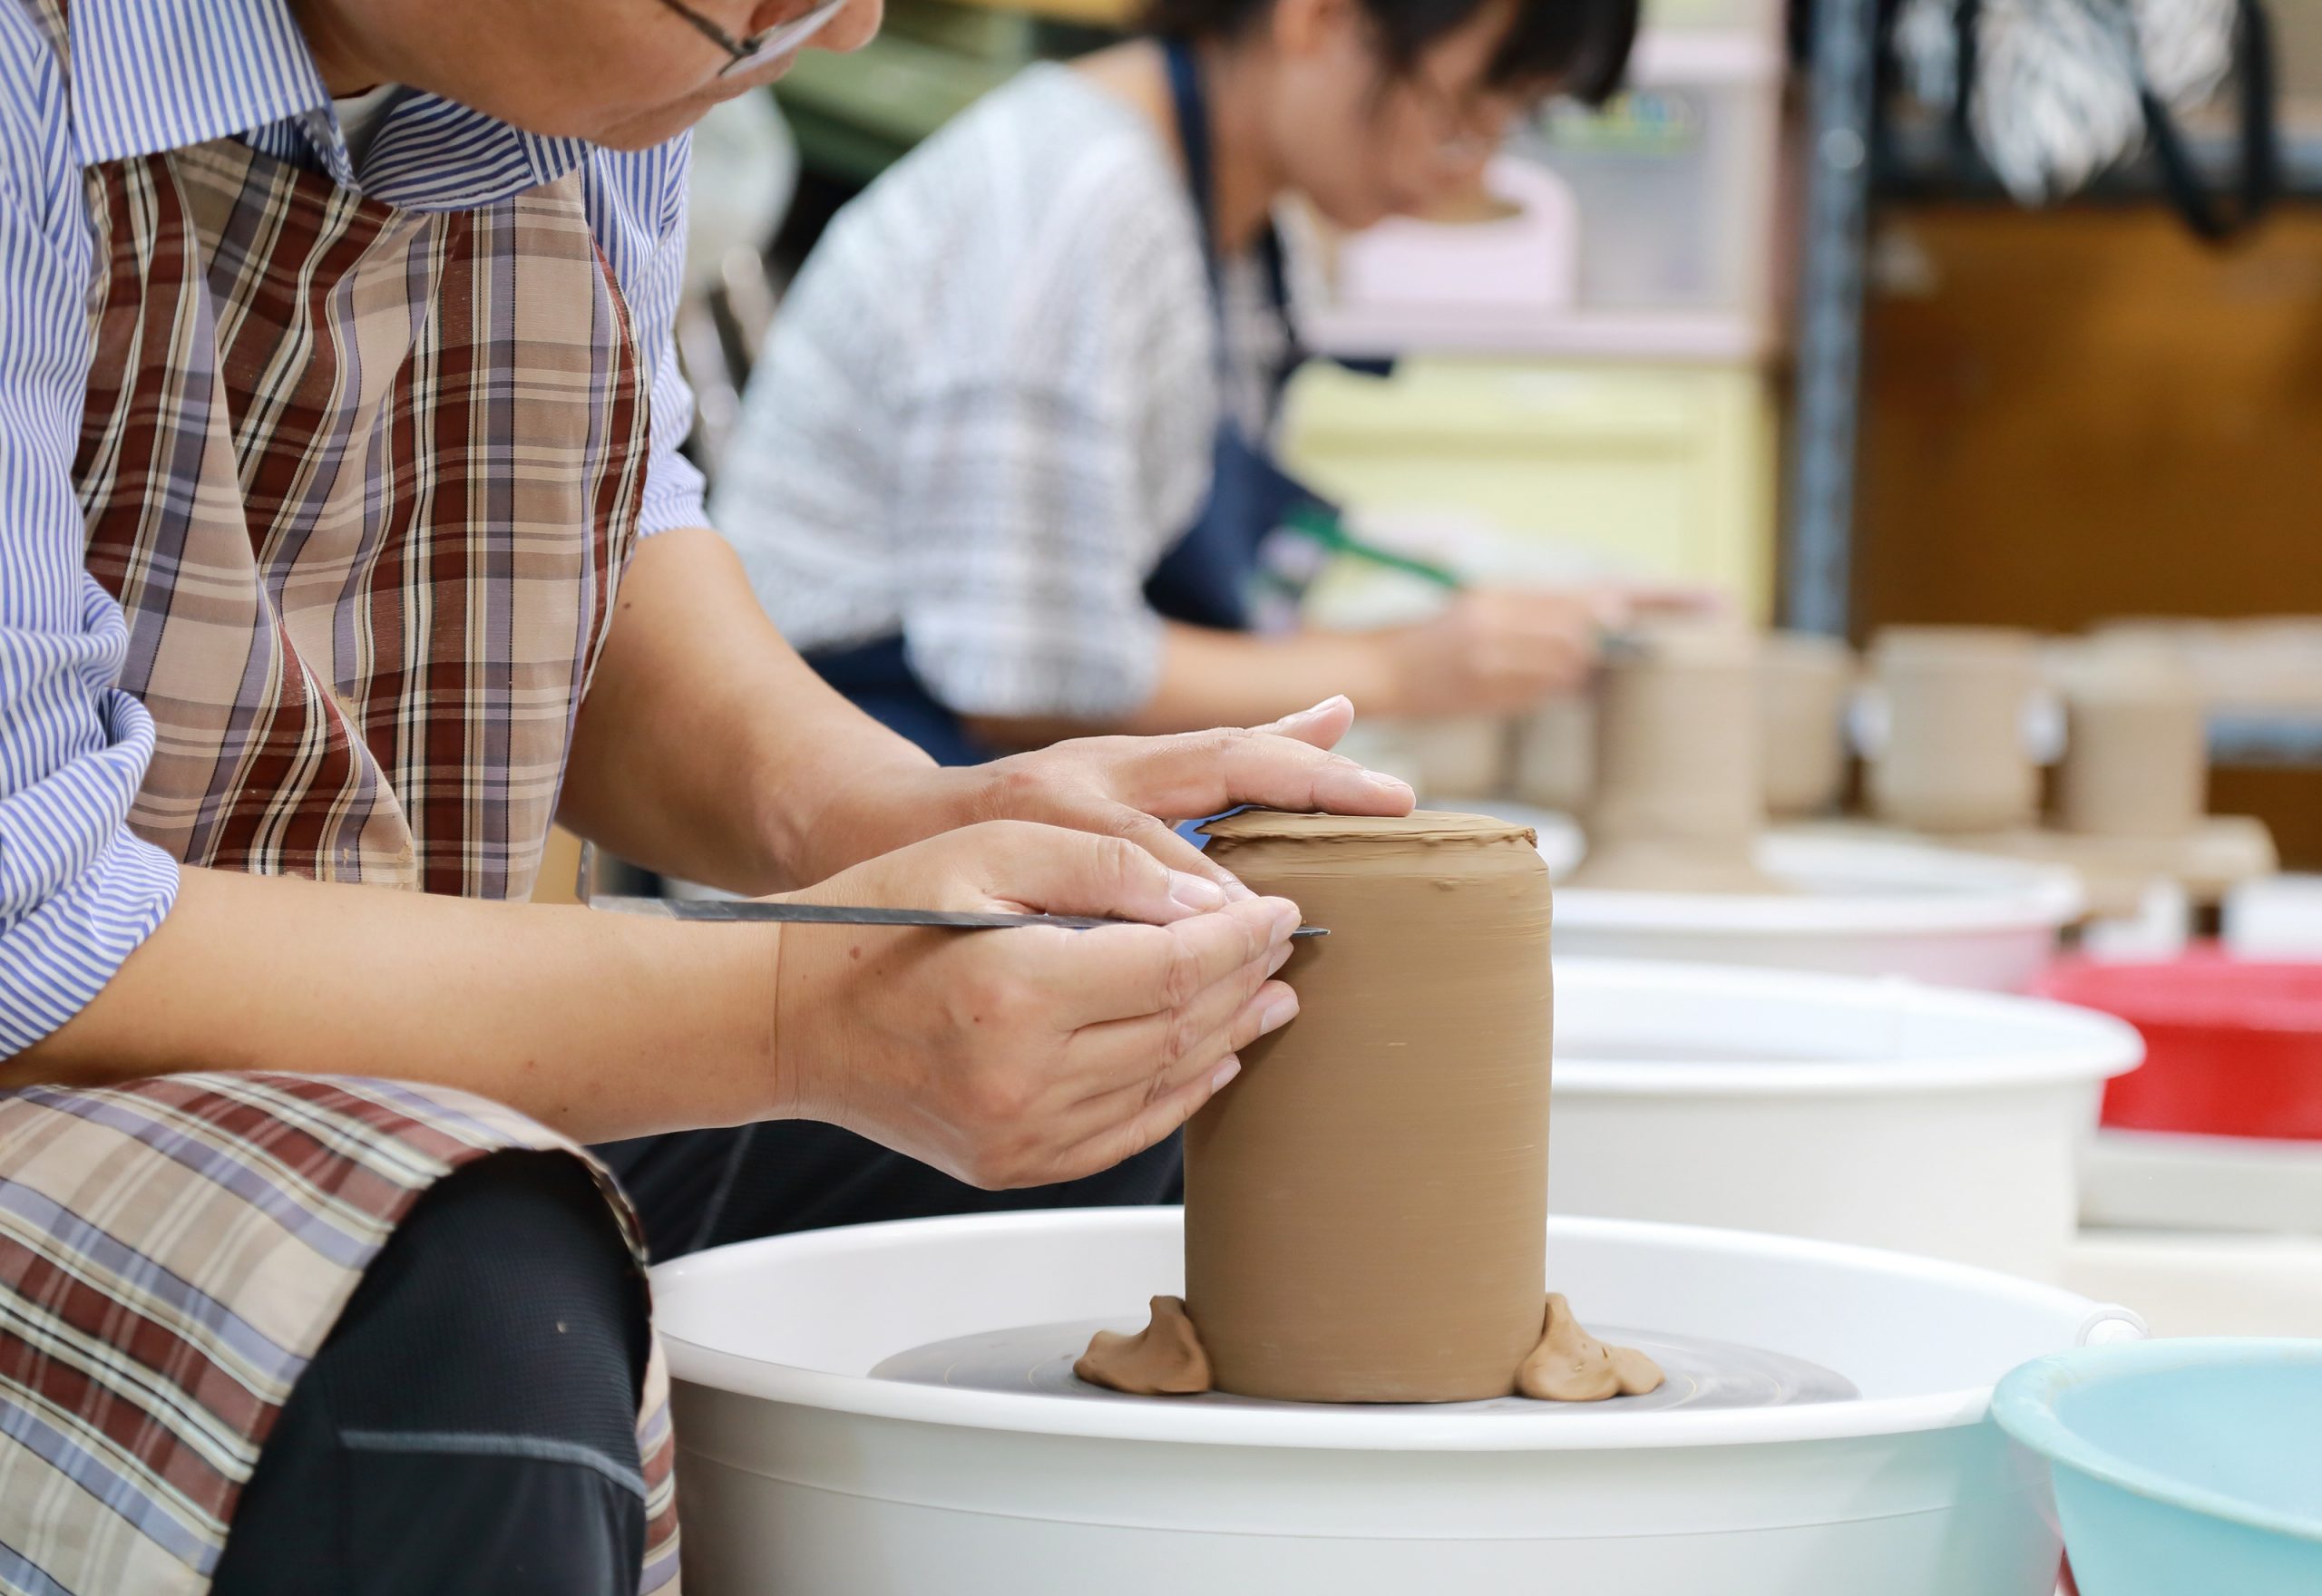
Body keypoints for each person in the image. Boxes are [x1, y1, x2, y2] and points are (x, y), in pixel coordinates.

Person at [0, 2, 1419, 1591]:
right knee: (469, 1290)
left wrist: (899, 826)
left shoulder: (573, 81)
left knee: (1110, 1080)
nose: (841, 25)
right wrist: (801, 1015)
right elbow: (28, 935)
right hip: (64, 1078)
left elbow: (586, 557)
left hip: (355, 1061)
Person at [713, 0, 1654, 769]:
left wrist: (1525, 592)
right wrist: (1399, 668)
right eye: (1458, 114)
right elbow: (1025, 680)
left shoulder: (1245, 224)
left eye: (1504, 128)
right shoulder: (1076, 200)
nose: (1472, 173)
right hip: (856, 792)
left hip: (1001, 782)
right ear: (1318, 19)